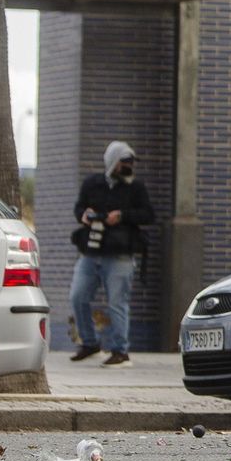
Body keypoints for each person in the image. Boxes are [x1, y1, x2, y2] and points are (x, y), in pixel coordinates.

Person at [69, 141, 154, 368]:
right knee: (78, 296)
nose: (128, 167)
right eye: (124, 162)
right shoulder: (92, 184)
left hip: (120, 255)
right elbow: (78, 208)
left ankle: (120, 350)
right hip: (91, 251)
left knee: (117, 302)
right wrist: (84, 216)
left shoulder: (136, 188)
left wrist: (122, 216)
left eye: (130, 163)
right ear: (112, 163)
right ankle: (89, 342)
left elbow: (148, 215)